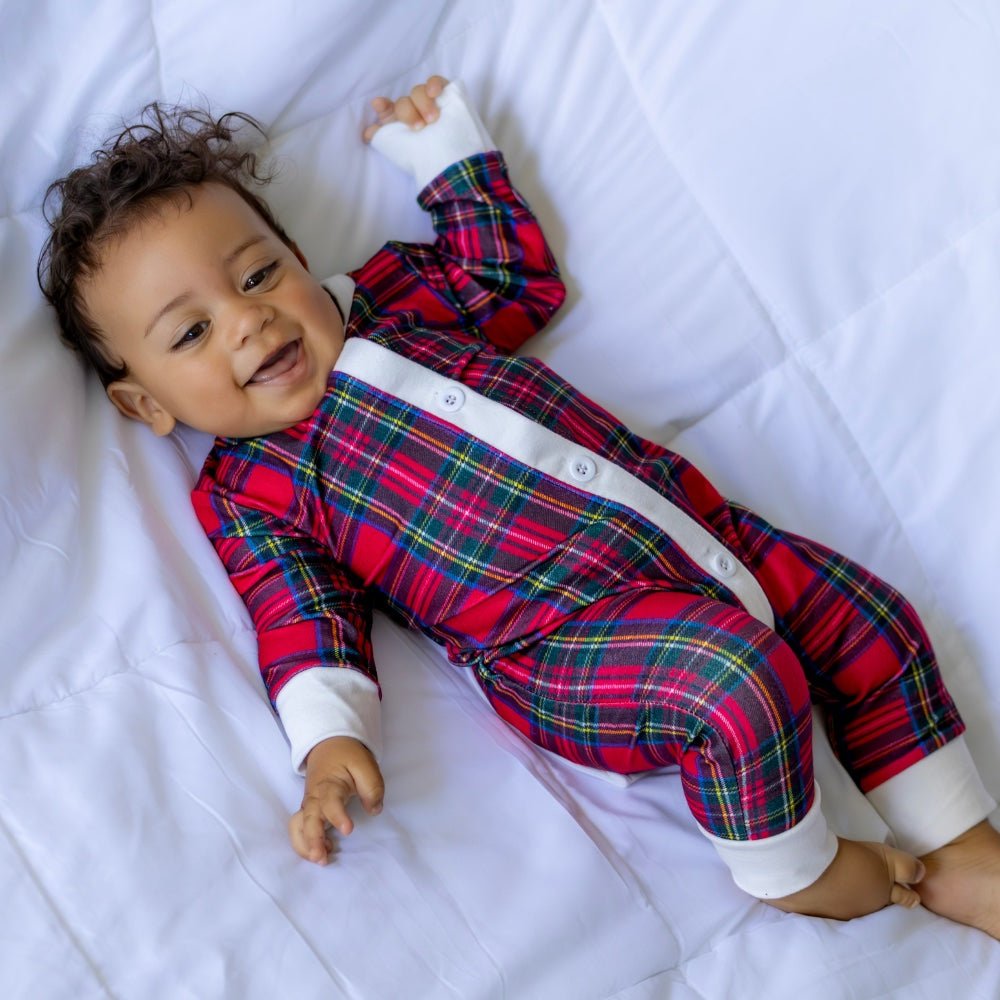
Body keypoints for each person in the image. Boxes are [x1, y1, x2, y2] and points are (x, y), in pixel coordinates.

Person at [37, 75, 1000, 935]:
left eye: (258, 275)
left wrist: (448, 158)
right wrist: (330, 742)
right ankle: (796, 868)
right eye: (192, 332)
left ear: (296, 255)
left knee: (868, 619)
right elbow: (302, 614)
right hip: (563, 642)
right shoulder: (254, 488)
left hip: (701, 534)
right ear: (146, 404)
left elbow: (511, 281)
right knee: (737, 681)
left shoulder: (389, 300)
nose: (248, 319)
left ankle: (959, 844)